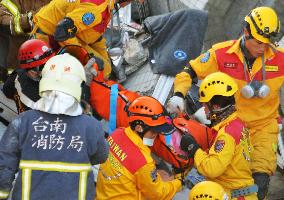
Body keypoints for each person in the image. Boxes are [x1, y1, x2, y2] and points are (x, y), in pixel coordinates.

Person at [167, 6, 283, 199]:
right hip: (231, 129)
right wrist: (179, 93)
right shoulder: (221, 54)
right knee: (226, 182)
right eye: (259, 42)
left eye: (268, 43)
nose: (263, 48)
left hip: (263, 128)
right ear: (246, 32)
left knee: (259, 185)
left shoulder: (280, 59)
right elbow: (190, 71)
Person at [0, 53, 109, 200]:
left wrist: (3, 194)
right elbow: (101, 156)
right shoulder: (91, 126)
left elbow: (5, 164)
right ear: (77, 86)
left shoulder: (22, 122)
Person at [180, 72, 257, 199]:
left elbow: (212, 169)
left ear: (215, 106)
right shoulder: (238, 120)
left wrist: (194, 149)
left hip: (233, 194)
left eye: (205, 104)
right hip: (244, 188)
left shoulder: (226, 135)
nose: (203, 109)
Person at [96, 96, 183, 199]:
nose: (156, 135)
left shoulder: (117, 133)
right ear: (139, 127)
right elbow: (158, 194)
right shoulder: (143, 162)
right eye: (154, 131)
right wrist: (178, 183)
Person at [31, 0, 144, 79]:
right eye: (131, 1)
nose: (130, 3)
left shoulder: (105, 6)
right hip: (48, 39)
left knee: (104, 68)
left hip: (65, 33)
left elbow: (93, 33)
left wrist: (105, 59)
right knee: (94, 70)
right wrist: (87, 58)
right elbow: (62, 33)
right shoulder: (97, 9)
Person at [0, 0, 51, 81]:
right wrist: (28, 20)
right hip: (20, 63)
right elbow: (4, 21)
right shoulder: (12, 1)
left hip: (51, 60)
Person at [3, 39, 55, 113]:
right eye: (44, 66)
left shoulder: (17, 75)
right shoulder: (34, 96)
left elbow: (6, 90)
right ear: (32, 72)